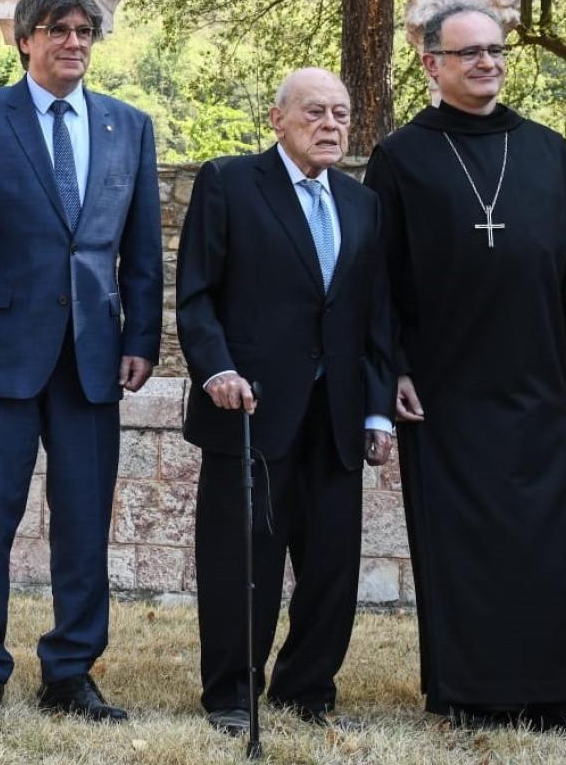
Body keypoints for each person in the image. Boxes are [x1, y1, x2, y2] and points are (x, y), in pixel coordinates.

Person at [365, 3, 566, 728]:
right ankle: (476, 693)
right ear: (432, 65)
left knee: (554, 539)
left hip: (537, 379)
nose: (487, 62)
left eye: (495, 50)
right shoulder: (401, 159)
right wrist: (392, 365)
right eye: (469, 53)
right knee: (464, 546)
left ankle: (564, 689)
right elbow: (378, 279)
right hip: (445, 386)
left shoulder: (547, 149)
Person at [0, 0, 162, 725]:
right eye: (59, 30)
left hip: (94, 356)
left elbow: (142, 249)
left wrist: (142, 338)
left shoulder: (130, 126)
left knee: (84, 520)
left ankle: (70, 671)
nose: (73, 43)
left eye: (84, 32)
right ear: (25, 38)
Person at [175, 68, 394, 735]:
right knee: (242, 564)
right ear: (277, 119)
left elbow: (375, 316)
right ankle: (232, 697)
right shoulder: (230, 184)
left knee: (332, 567)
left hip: (336, 417)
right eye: (314, 113)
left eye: (341, 115)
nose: (330, 126)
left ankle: (307, 689)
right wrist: (215, 369)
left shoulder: (363, 205)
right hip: (249, 410)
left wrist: (378, 408)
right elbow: (196, 294)